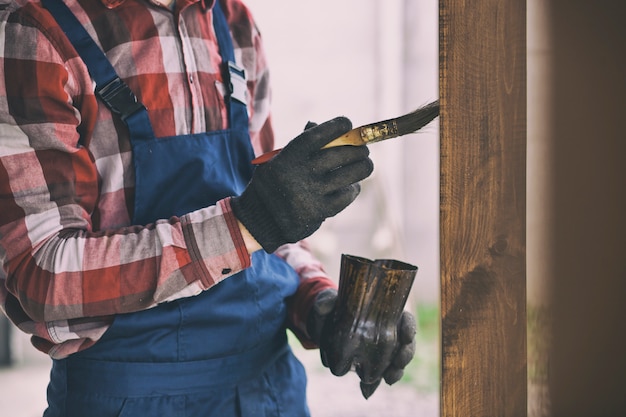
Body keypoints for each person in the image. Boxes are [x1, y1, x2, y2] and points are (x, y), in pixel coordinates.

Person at [0, 0, 417, 415]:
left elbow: (261, 218)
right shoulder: (37, 30)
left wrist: (319, 302)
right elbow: (43, 275)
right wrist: (247, 224)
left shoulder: (232, 22)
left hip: (269, 389)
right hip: (130, 397)